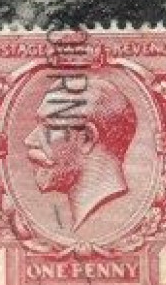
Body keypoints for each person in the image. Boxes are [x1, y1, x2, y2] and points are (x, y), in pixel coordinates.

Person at [22, 75, 138, 231]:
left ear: (87, 139)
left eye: (48, 127)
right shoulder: (99, 225)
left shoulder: (110, 222)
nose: (29, 140)